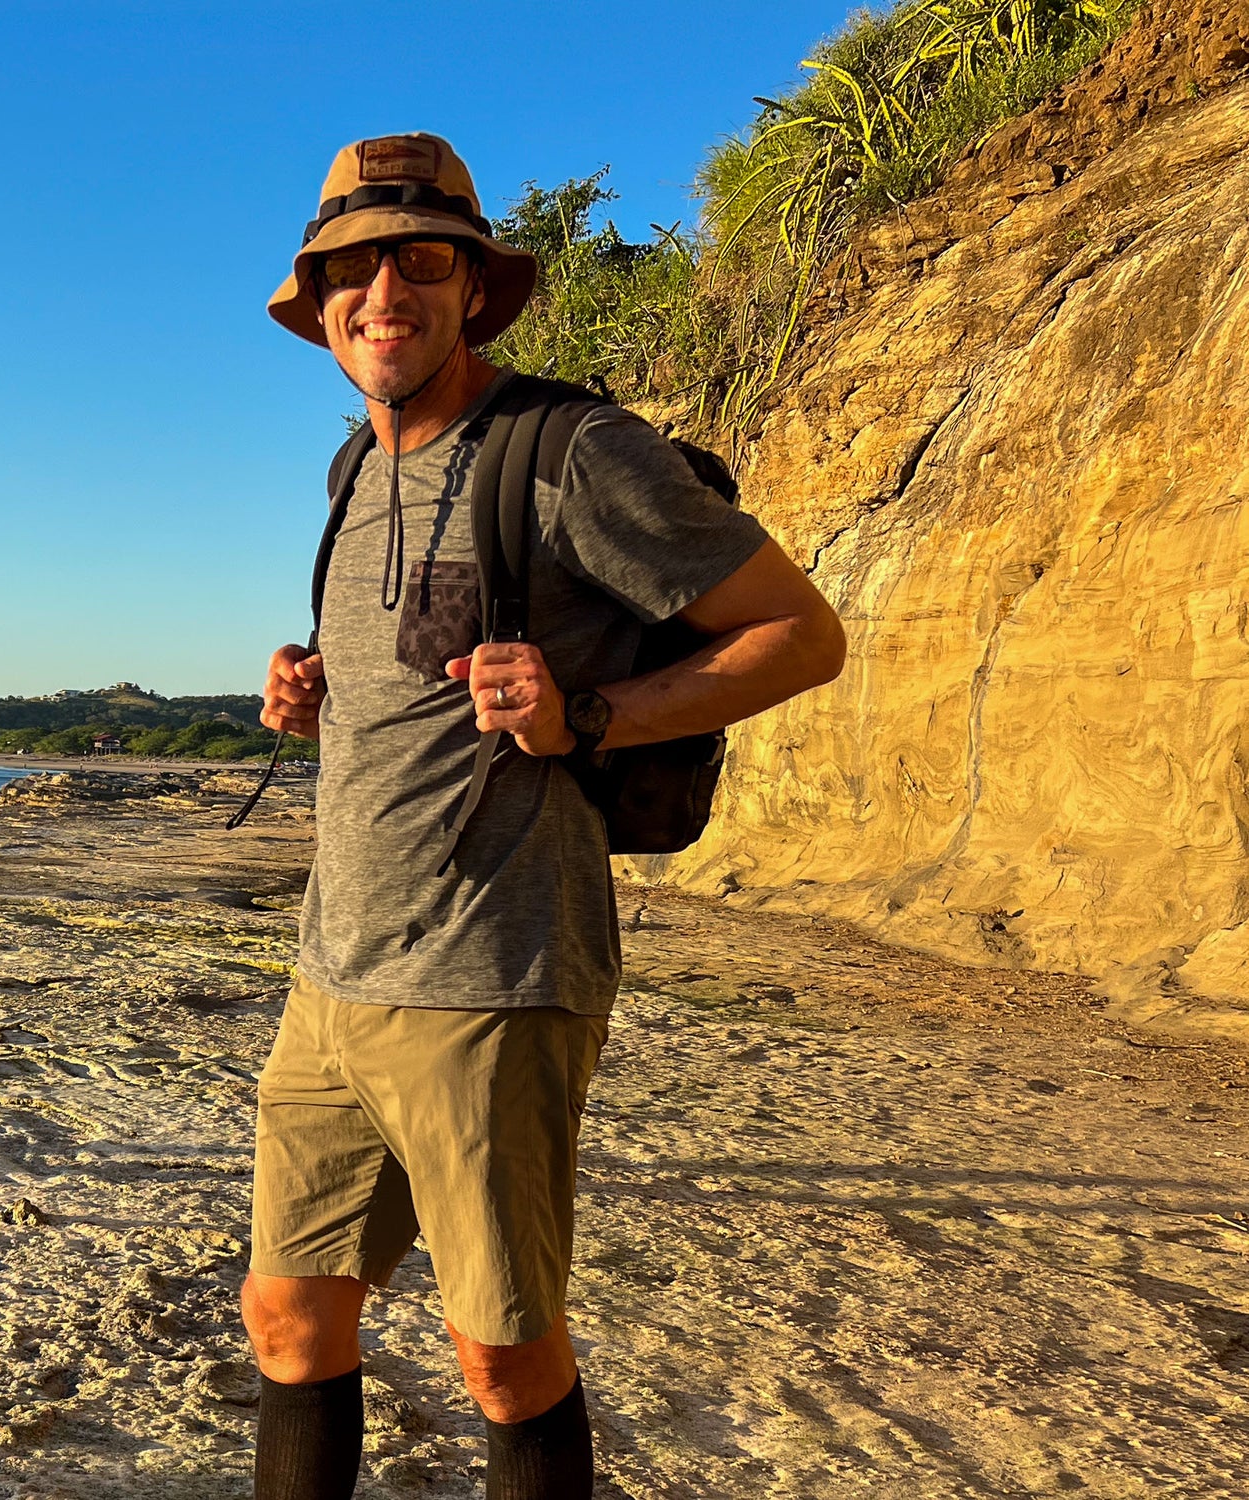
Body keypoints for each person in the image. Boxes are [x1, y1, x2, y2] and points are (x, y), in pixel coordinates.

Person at [244, 132, 846, 1500]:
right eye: (351, 265)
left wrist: (588, 719)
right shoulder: (353, 468)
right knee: (287, 1320)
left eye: (418, 257)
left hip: (495, 980)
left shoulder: (574, 453)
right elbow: (417, 677)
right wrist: (316, 695)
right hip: (331, 975)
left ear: (471, 284)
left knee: (502, 1359)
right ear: (319, 297)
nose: (381, 290)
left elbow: (801, 638)